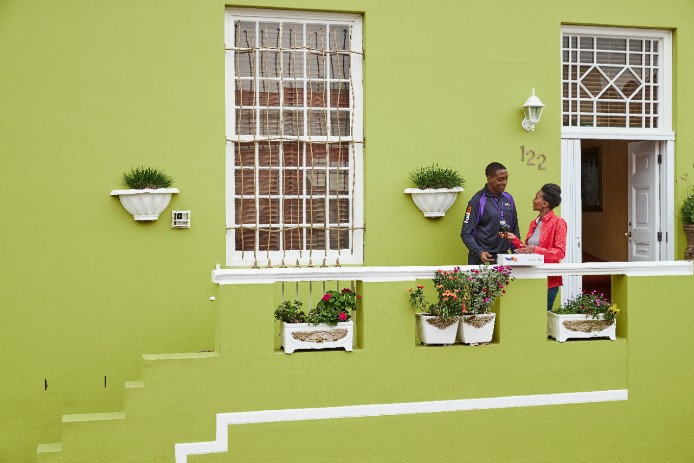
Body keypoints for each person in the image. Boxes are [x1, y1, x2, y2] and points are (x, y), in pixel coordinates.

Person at [505, 183, 567, 311]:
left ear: (545, 203)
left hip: (548, 281)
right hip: (531, 277)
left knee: (542, 316)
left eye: (536, 197)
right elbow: (528, 249)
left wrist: (535, 249)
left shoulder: (558, 223)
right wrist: (514, 240)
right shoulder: (534, 222)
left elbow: (559, 253)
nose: (533, 200)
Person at [461, 162, 520, 265]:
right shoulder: (477, 201)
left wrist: (516, 251)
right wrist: (479, 252)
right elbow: (466, 233)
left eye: (506, 178)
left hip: (503, 258)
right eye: (500, 179)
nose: (504, 182)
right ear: (489, 179)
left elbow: (514, 228)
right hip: (483, 259)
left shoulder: (508, 199)